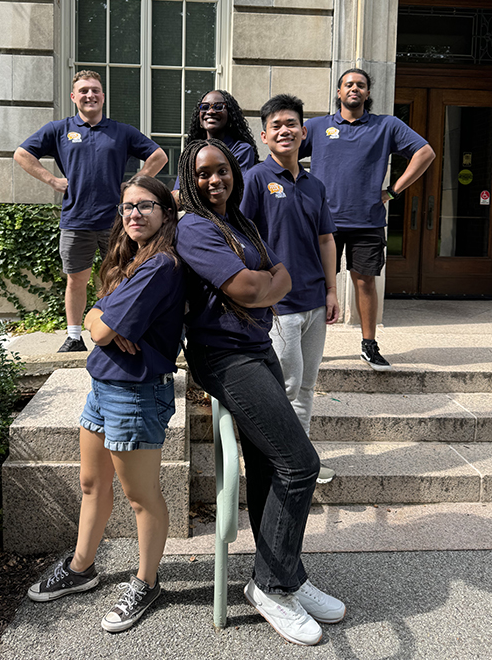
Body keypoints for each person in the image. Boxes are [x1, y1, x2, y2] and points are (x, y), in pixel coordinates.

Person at [175, 139, 345, 646]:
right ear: (190, 177)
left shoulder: (241, 223)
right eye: (204, 173)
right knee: (301, 463)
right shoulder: (194, 227)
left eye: (223, 171)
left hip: (257, 346)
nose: (215, 181)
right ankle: (269, 586)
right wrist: (265, 284)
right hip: (226, 357)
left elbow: (282, 275)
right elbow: (253, 289)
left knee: (271, 464)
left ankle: (286, 575)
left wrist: (265, 283)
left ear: (235, 174)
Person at [27, 175, 185, 634]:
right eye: (127, 207)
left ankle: (146, 581)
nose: (134, 214)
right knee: (92, 483)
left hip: (136, 392)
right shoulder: (133, 258)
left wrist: (102, 321)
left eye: (146, 206)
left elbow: (95, 330)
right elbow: (99, 317)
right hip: (104, 384)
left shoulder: (161, 266)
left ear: (165, 213)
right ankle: (82, 568)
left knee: (141, 496)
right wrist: (104, 318)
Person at [14, 70, 167, 352]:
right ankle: (74, 336)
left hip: (116, 222)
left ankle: (122, 327)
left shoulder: (120, 131)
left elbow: (159, 155)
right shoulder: (59, 130)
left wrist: (135, 183)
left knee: (125, 274)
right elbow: (22, 154)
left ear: (103, 97)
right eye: (83, 90)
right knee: (77, 279)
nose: (90, 95)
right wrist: (51, 179)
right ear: (74, 97)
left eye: (95, 90)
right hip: (76, 221)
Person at [300, 68, 435, 370]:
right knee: (317, 284)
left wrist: (394, 191)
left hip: (367, 220)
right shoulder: (319, 126)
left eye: (360, 85)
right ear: (338, 92)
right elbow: (286, 152)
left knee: (365, 283)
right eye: (348, 84)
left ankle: (369, 346)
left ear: (368, 93)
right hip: (324, 223)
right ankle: (311, 347)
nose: (354, 89)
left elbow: (425, 153)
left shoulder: (386, 126)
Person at [240, 95, 339, 482]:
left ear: (303, 131)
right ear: (265, 135)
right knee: (287, 384)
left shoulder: (315, 185)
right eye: (276, 125)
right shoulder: (254, 180)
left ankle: (301, 460)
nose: (285, 130)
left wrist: (332, 291)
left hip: (315, 301)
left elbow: (326, 240)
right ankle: (278, 463)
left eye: (292, 124)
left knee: (308, 386)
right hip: (278, 307)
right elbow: (242, 240)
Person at [172, 89, 258, 201]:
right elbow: (176, 195)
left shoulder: (241, 150)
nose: (211, 111)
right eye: (205, 107)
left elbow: (233, 192)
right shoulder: (192, 152)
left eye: (218, 107)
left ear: (230, 115)